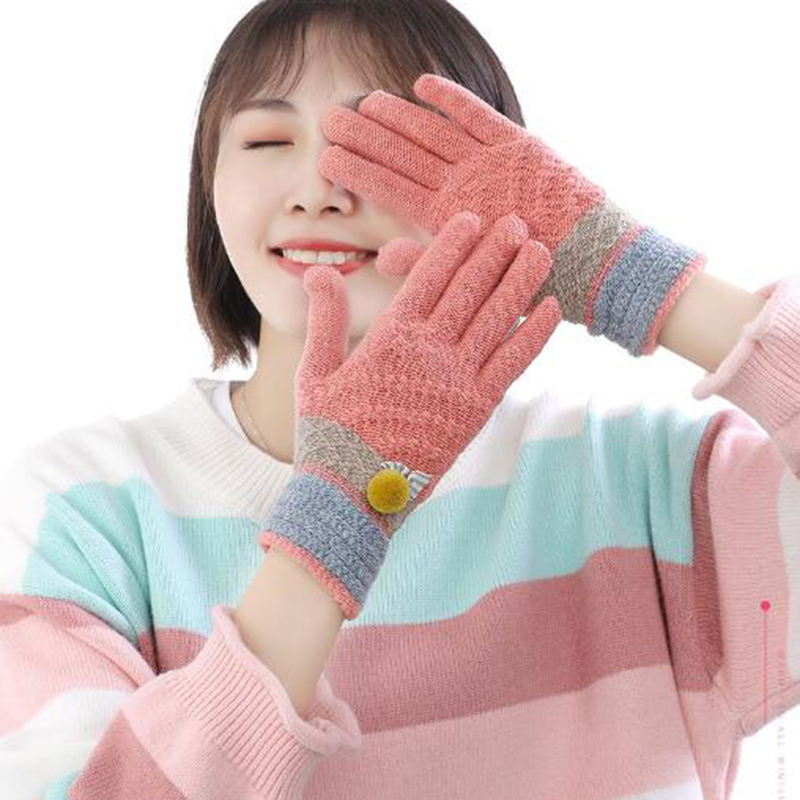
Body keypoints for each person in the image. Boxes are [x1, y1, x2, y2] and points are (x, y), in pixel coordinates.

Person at [2, 1, 799, 798]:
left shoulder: (645, 487)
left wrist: (637, 278)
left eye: (379, 143)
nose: (317, 191)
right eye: (268, 142)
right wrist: (338, 515)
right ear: (208, 188)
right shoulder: (83, 513)